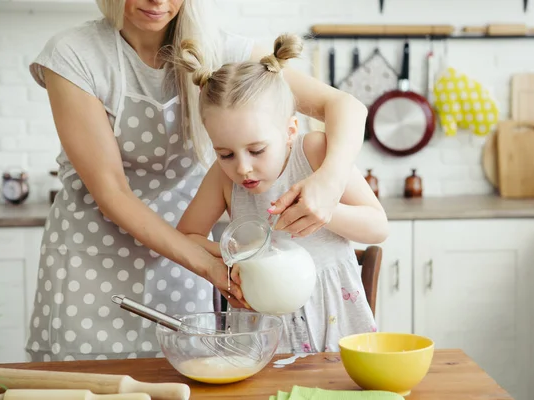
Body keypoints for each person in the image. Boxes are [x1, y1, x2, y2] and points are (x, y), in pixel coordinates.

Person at [24, 0, 369, 362]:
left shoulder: (221, 50)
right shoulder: (75, 55)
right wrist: (208, 264)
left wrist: (329, 185)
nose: (157, 0)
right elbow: (112, 192)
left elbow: (346, 106)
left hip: (185, 262)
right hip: (93, 257)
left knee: (183, 372)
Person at [175, 33, 389, 354]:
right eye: (226, 154)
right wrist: (234, 255)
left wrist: (328, 209)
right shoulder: (222, 177)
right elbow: (187, 235)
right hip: (261, 329)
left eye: (257, 150)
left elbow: (378, 227)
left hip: (335, 316)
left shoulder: (315, 152)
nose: (243, 168)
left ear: (290, 131)